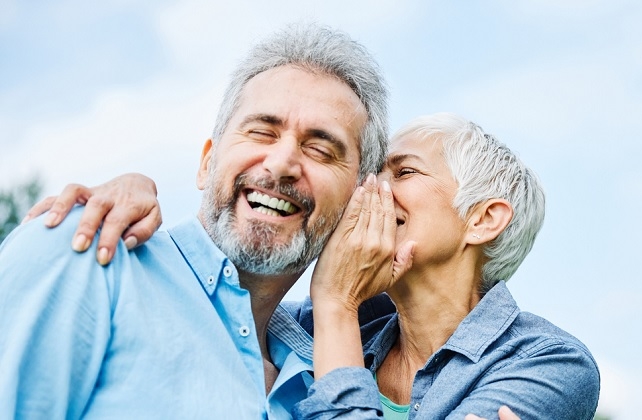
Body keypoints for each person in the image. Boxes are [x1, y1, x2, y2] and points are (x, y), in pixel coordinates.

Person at [32, 114, 601, 419]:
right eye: (369, 174)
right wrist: (135, 195)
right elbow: (214, 298)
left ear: (483, 219)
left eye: (401, 173)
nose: (368, 192)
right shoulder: (303, 335)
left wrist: (336, 306)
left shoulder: (548, 364)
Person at [0, 22, 392, 419]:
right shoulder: (83, 248)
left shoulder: (325, 382)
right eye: (260, 132)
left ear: (360, 201)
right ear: (207, 163)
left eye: (320, 149)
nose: (283, 163)